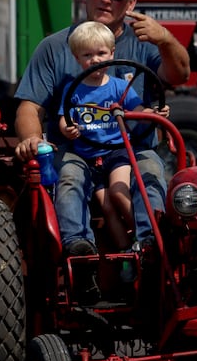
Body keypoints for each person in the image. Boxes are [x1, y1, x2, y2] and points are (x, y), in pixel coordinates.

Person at [14, 0, 190, 257]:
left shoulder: (145, 44)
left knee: (150, 169)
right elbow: (30, 108)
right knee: (68, 176)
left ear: (131, 3)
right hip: (74, 150)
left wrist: (166, 40)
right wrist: (32, 139)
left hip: (130, 149)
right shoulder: (55, 47)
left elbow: (180, 74)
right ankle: (78, 251)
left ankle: (153, 246)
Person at [59, 21, 170, 251]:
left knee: (119, 192)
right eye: (87, 55)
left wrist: (155, 113)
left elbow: (138, 112)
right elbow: (64, 118)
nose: (95, 60)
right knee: (107, 206)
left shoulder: (120, 87)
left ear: (112, 53)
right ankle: (124, 253)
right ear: (76, 58)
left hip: (116, 151)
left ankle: (147, 239)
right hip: (89, 157)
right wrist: (67, 129)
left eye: (101, 53)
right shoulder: (74, 89)